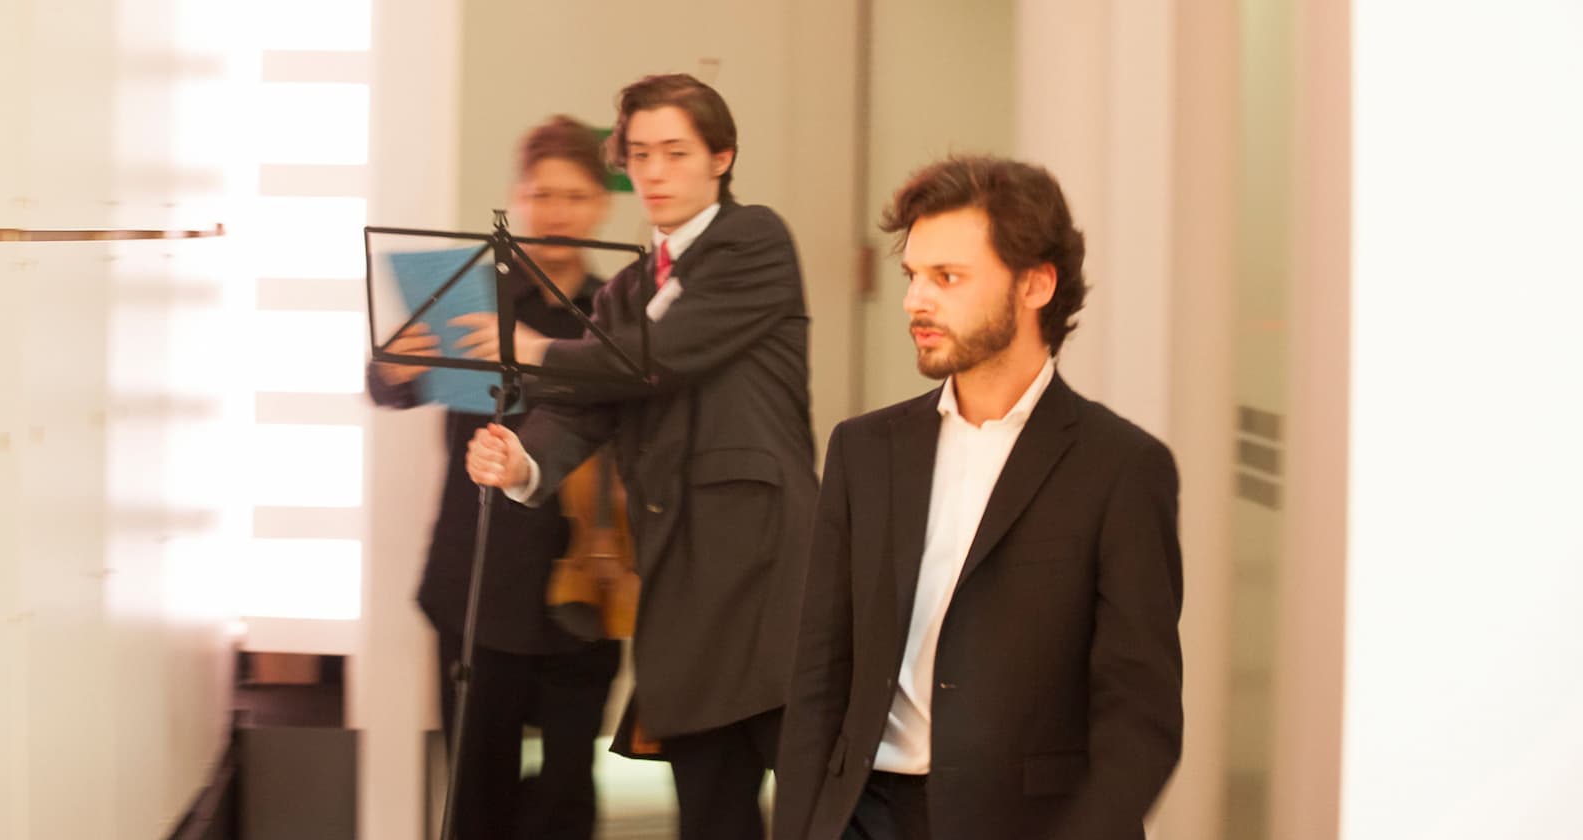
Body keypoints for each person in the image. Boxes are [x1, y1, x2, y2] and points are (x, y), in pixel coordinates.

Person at [773, 156, 1184, 840]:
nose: (915, 301)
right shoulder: (864, 451)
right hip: (863, 815)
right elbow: (818, 678)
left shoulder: (1121, 468)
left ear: (1035, 284)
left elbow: (1139, 721)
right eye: (913, 276)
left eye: (948, 278)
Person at [463, 74, 818, 840]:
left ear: (721, 157)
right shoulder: (625, 289)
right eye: (640, 155)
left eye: (675, 152)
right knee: (711, 817)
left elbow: (653, 359)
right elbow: (583, 405)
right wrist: (520, 465)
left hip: (769, 574)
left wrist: (531, 346)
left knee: (819, 814)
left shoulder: (753, 240)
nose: (654, 171)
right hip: (678, 584)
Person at [367, 115, 622, 840]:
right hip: (477, 578)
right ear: (517, 197)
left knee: (570, 792)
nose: (557, 212)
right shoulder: (470, 295)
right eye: (542, 194)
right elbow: (386, 385)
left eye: (575, 196)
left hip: (587, 578)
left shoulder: (617, 310)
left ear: (601, 205)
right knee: (477, 795)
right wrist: (396, 365)